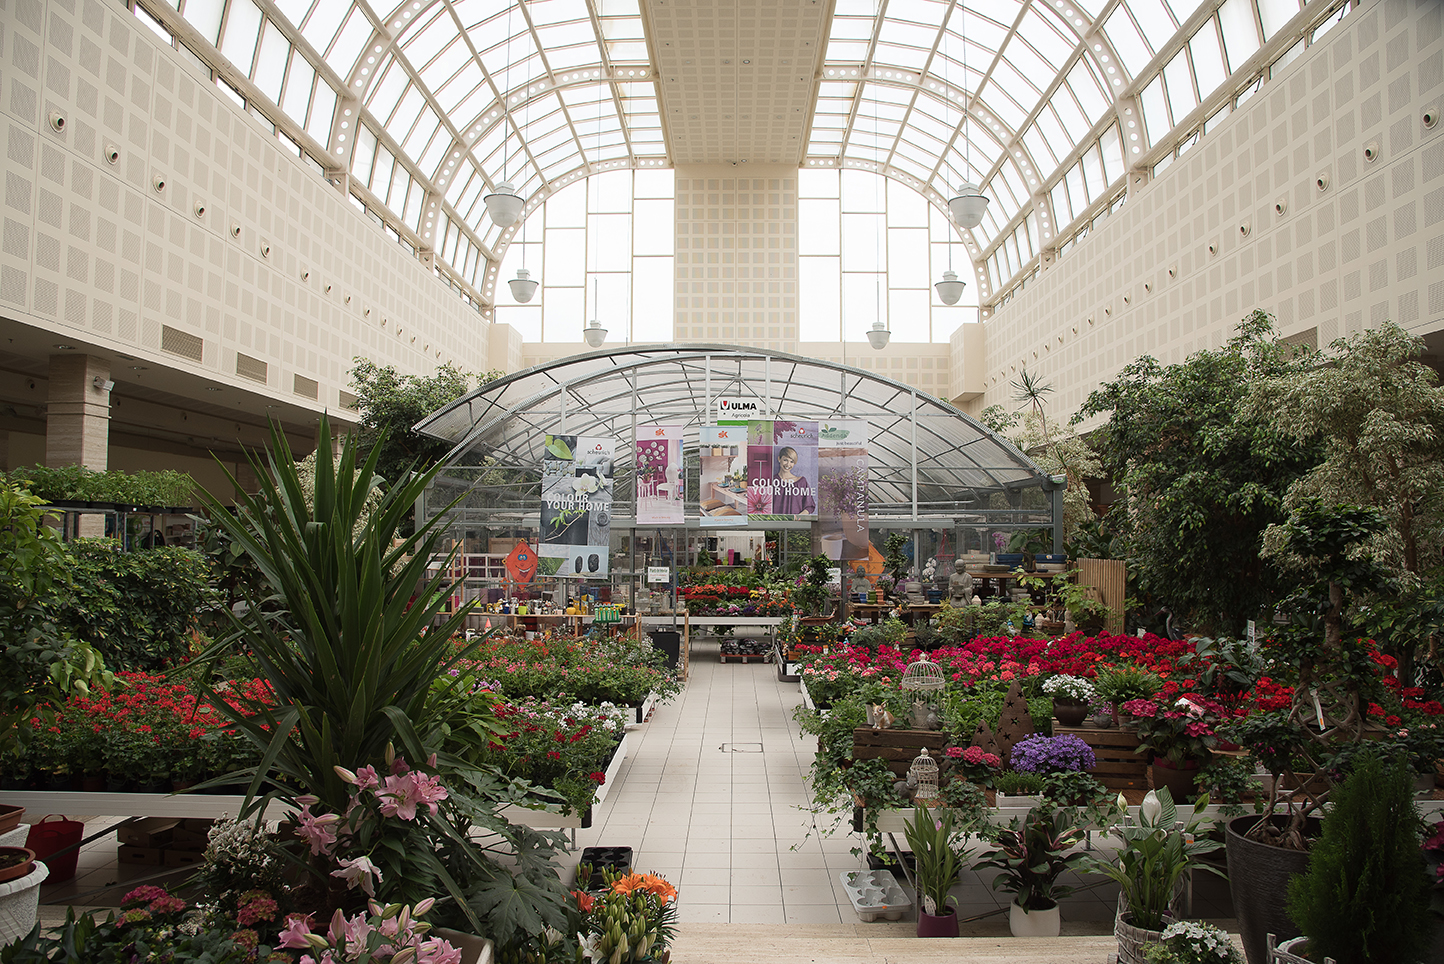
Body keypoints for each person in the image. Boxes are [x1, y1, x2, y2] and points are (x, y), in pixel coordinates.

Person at [771, 446, 816, 515]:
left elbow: (809, 506)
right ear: (779, 459)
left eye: (791, 461)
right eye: (785, 460)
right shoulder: (771, 481)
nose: (788, 464)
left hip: (796, 524)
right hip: (775, 524)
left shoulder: (801, 482)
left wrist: (798, 518)